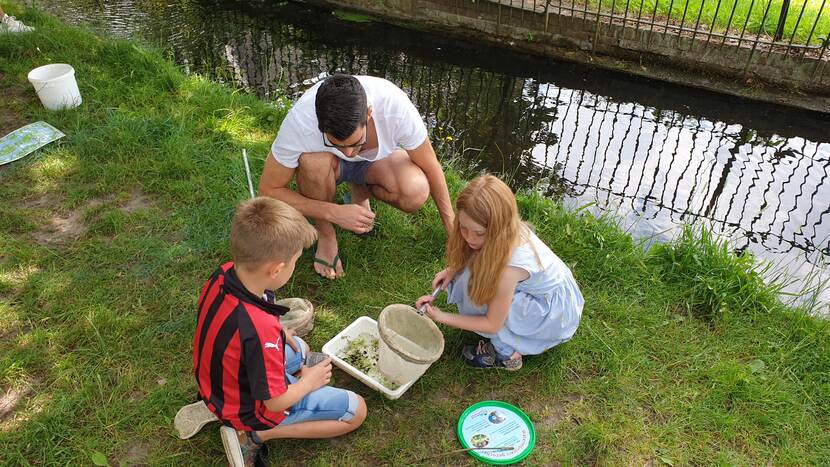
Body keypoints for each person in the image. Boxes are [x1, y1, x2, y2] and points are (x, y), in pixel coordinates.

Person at [193, 197, 367, 467]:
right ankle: (255, 434)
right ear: (275, 269)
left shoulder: (224, 274)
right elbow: (274, 402)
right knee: (356, 411)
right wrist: (309, 381)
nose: (295, 265)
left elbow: (246, 326)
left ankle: (223, 408)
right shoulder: (259, 332)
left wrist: (279, 331)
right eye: (295, 261)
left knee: (301, 347)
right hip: (248, 406)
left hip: (216, 381)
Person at [259, 74, 454, 280]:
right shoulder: (300, 121)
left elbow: (431, 166)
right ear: (319, 125)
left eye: (357, 142)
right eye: (336, 145)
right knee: (312, 163)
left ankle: (359, 194)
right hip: (327, 168)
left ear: (369, 114)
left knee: (415, 191)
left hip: (376, 164)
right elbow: (269, 189)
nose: (349, 153)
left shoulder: (394, 107)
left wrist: (452, 227)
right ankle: (326, 236)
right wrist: (332, 212)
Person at [416, 175, 583, 371]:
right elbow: (475, 253)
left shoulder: (508, 270)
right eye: (463, 228)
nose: (470, 238)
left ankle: (506, 355)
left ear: (499, 229)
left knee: (479, 291)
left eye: (479, 233)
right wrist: (452, 270)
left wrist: (442, 317)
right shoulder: (506, 229)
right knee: (474, 278)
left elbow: (492, 324)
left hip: (552, 314)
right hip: (546, 292)